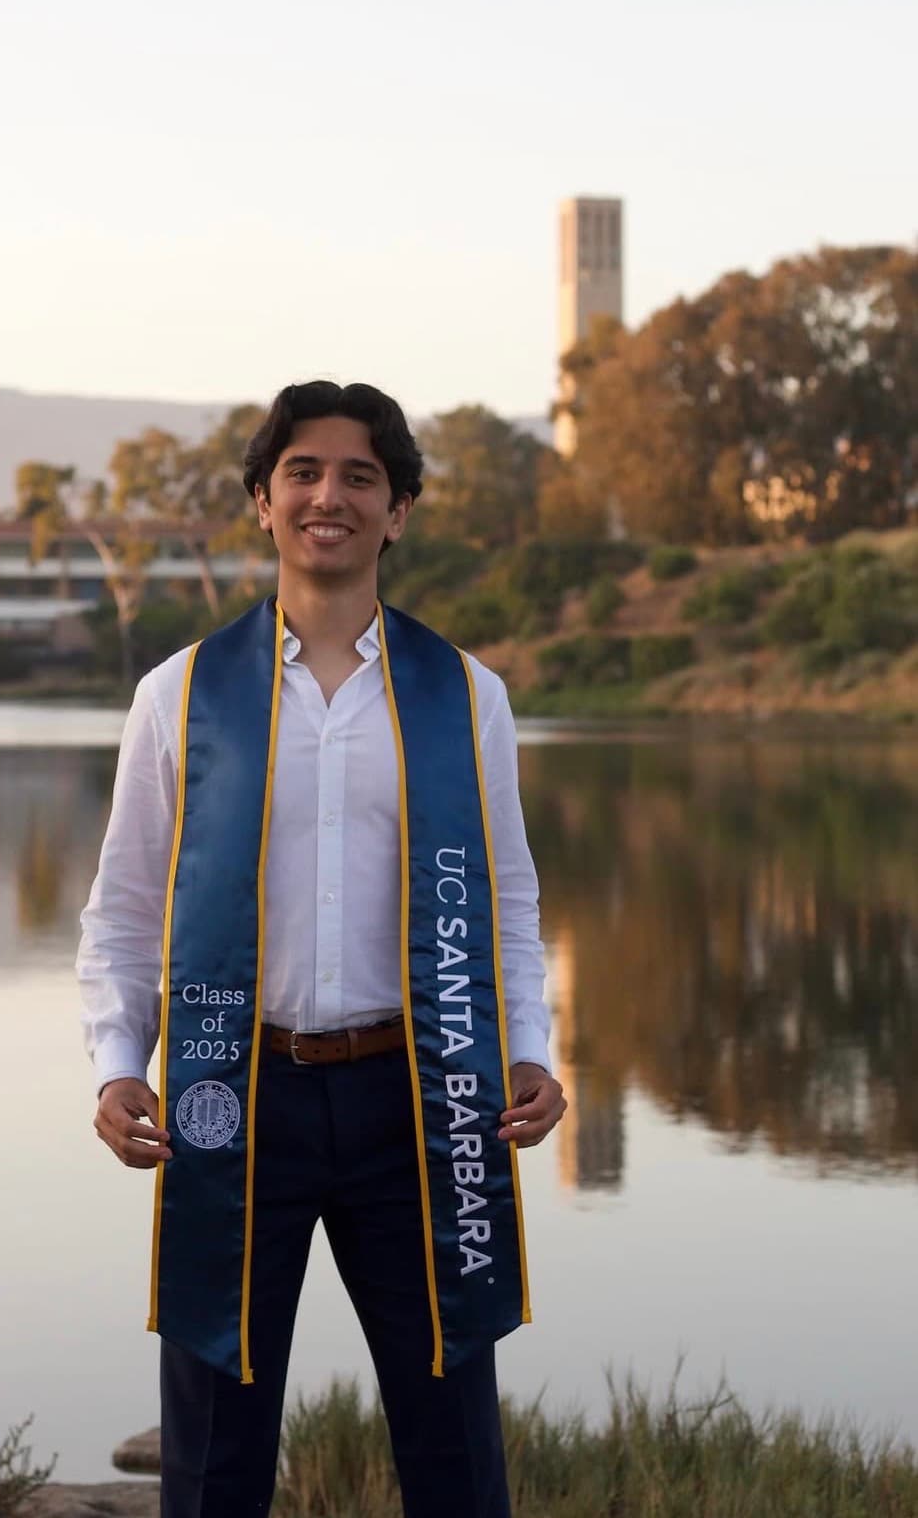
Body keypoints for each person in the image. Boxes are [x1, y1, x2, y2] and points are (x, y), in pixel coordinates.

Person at [77, 380, 566, 1518]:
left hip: (422, 1094)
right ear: (262, 500)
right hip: (236, 1091)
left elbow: (509, 896)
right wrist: (114, 1059)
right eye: (302, 471)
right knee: (214, 1446)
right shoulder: (181, 694)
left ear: (398, 511)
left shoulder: (465, 695)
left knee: (452, 1436)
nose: (328, 495)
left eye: (359, 475)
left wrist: (527, 1045)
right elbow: (126, 904)